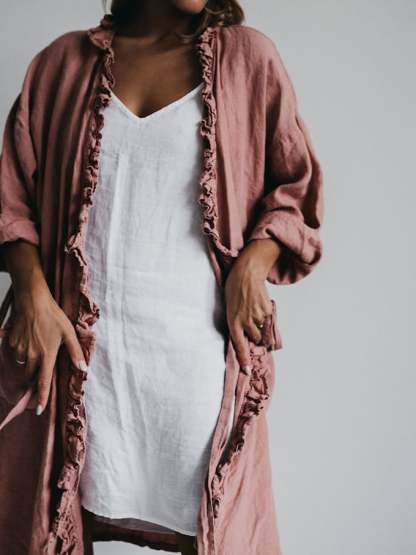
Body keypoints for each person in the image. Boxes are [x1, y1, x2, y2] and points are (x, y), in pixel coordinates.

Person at [0, 1, 324, 553]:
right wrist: (31, 293)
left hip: (196, 376)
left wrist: (253, 263)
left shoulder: (249, 59)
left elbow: (295, 189)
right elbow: (11, 200)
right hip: (79, 374)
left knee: (217, 530)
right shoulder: (61, 64)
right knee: (51, 525)